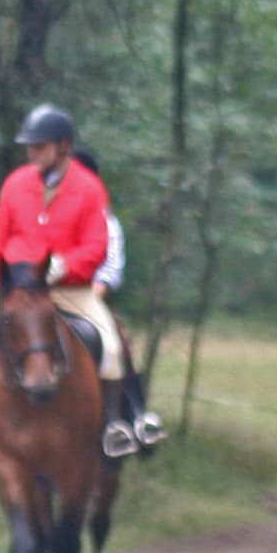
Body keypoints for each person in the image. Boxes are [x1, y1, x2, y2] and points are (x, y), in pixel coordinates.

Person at [0, 104, 142, 465]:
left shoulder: (89, 188)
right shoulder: (16, 184)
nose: (31, 153)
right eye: (29, 147)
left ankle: (112, 427)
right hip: (17, 289)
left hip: (70, 289)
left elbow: (97, 246)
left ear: (62, 147)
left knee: (109, 345)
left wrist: (66, 267)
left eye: (39, 146)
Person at [71, 145, 166, 450]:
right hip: (41, 297)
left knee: (116, 342)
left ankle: (126, 418)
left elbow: (111, 268)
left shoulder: (106, 221)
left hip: (88, 296)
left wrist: (96, 293)